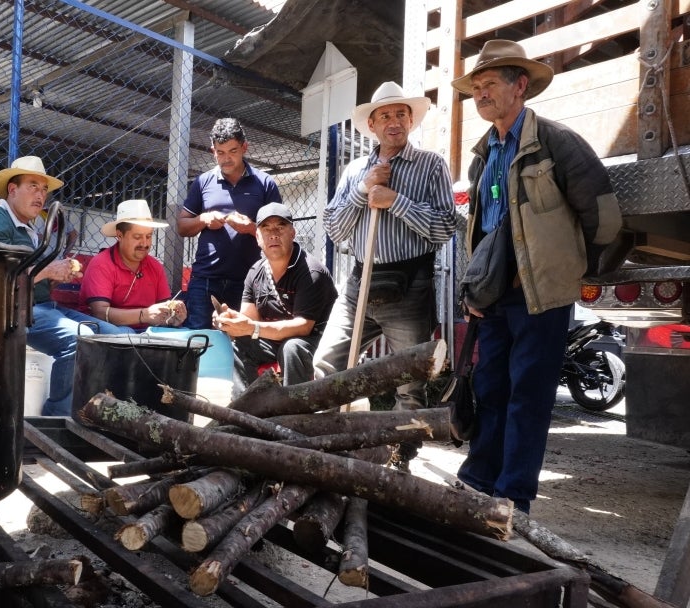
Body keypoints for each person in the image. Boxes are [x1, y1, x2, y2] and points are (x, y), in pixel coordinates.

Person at [450, 40, 621, 513]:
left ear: (520, 85)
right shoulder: (482, 155)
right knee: (490, 389)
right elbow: (482, 230)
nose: (481, 94)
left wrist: (572, 270)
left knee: (529, 394)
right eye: (476, 88)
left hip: (541, 295)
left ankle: (513, 498)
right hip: (496, 295)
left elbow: (602, 215)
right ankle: (478, 481)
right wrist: (475, 287)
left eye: (490, 85)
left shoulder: (555, 141)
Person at [311, 82, 457, 467]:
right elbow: (334, 228)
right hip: (360, 281)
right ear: (372, 125)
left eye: (401, 114)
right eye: (385, 116)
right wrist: (363, 191)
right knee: (327, 363)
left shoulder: (431, 165)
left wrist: (396, 201)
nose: (394, 122)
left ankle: (399, 457)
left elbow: (445, 227)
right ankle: (327, 444)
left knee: (411, 380)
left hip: (410, 284)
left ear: (410, 120)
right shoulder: (356, 170)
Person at [0, 155, 130, 416]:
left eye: (44, 189)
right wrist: (48, 270)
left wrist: (53, 277)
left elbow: (29, 275)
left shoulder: (28, 226)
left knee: (120, 336)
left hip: (41, 307)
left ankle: (104, 411)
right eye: (33, 186)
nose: (41, 194)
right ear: (12, 189)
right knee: (82, 340)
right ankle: (58, 418)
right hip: (9, 311)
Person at [215, 203, 336, 386]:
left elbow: (303, 327)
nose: (273, 234)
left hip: (314, 341)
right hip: (275, 341)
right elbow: (249, 320)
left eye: (280, 227)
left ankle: (295, 410)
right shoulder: (255, 272)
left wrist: (252, 328)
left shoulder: (311, 272)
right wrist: (230, 321)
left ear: (292, 233)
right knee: (241, 343)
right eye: (266, 228)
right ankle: (245, 407)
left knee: (292, 348)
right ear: (257, 237)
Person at [177, 117, 282, 329]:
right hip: (205, 280)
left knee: (242, 343)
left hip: (247, 281)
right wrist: (203, 219)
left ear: (244, 147)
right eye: (220, 152)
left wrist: (251, 228)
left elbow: (279, 233)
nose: (226, 159)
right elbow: (182, 226)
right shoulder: (203, 182)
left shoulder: (265, 184)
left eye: (232, 151)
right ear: (212, 151)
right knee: (199, 341)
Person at [79, 199, 187, 330]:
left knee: (188, 335)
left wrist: (173, 317)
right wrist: (144, 315)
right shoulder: (101, 264)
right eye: (137, 237)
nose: (145, 243)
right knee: (125, 332)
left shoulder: (155, 266)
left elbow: (162, 314)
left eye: (148, 236)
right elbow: (100, 313)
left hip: (146, 331)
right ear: (119, 235)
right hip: (110, 331)